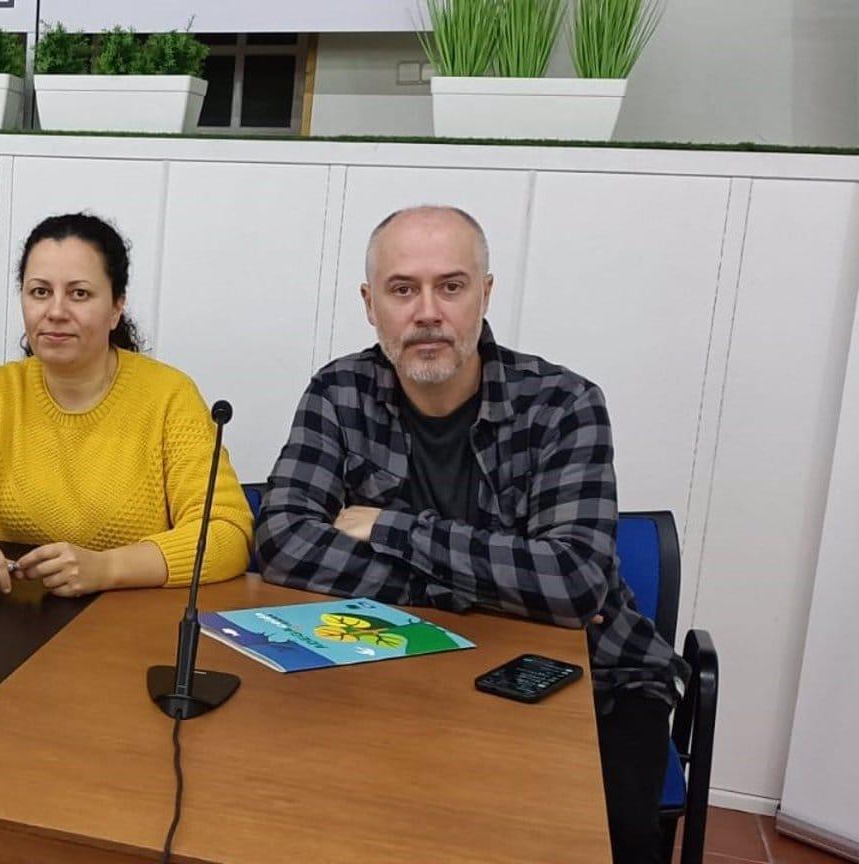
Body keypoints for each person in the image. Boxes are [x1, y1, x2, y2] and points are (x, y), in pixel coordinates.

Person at [255, 205, 686, 864]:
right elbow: (282, 540)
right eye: (403, 289)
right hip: (398, 668)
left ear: (485, 295)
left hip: (589, 680)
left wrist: (392, 529)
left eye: (451, 287)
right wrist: (483, 589)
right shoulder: (339, 391)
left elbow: (572, 585)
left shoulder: (564, 404)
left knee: (600, 846)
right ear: (371, 305)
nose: (427, 311)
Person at [0, 213, 251, 597]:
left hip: (123, 623)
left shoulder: (169, 397)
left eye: (79, 294)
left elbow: (227, 533)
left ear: (116, 308)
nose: (55, 311)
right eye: (40, 292)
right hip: (7, 622)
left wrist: (107, 568)